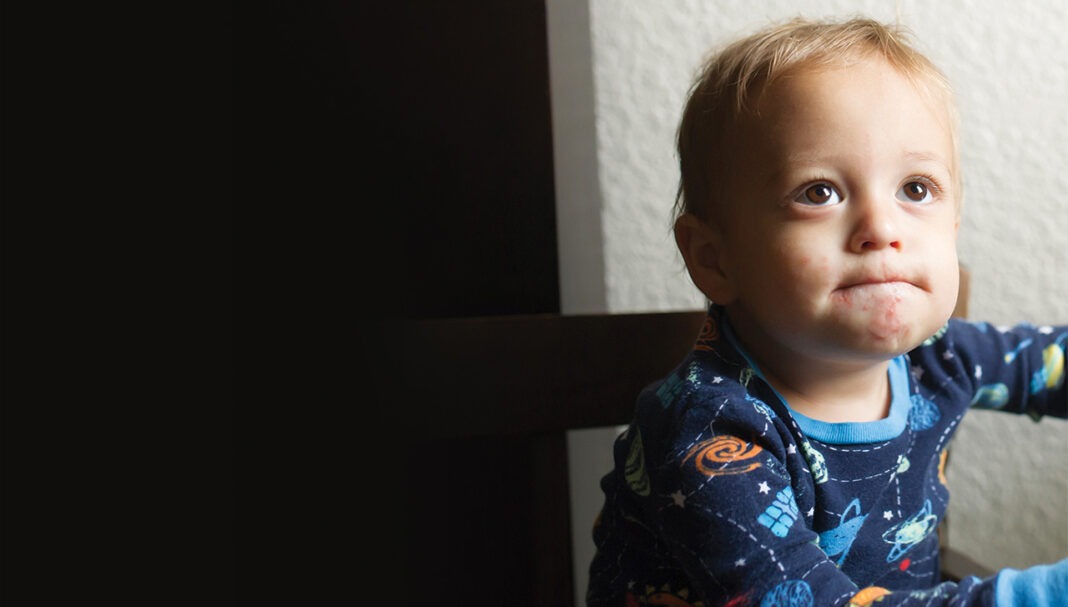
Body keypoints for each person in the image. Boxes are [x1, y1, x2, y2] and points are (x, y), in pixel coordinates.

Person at [585, 16, 1068, 607]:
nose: (882, 228)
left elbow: (1052, 362)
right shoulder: (710, 431)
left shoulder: (938, 354)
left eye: (916, 189)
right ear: (715, 259)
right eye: (819, 192)